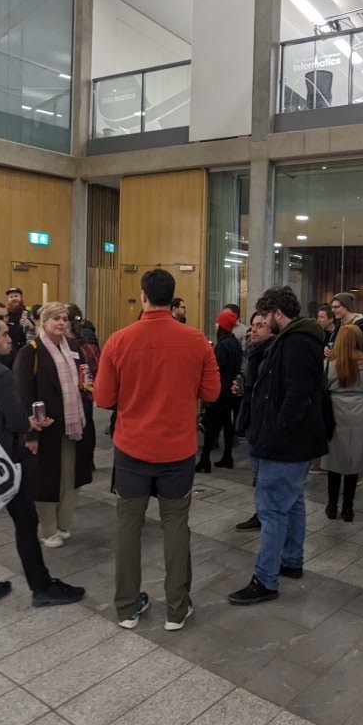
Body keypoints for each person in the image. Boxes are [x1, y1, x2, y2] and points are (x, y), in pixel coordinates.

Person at [94, 268, 220, 631]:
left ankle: (127, 608)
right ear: (173, 297)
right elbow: (211, 393)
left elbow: (103, 397)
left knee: (128, 527)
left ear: (143, 295)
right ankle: (177, 610)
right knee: (176, 526)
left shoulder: (119, 341)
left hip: (131, 450)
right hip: (177, 452)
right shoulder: (196, 341)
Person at [0, 309, 85, 612]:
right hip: (7, 460)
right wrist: (33, 425)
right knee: (26, 522)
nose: (9, 338)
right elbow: (16, 420)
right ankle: (42, 587)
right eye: (3, 334)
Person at [228, 285, 328, 605]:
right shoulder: (296, 339)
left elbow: (298, 395)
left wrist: (277, 429)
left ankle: (266, 580)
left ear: (278, 314)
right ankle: (292, 561)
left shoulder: (296, 342)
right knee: (293, 502)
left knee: (271, 511)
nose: (262, 321)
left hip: (285, 444)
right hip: (293, 443)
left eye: (265, 316)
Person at [13, 302, 95, 549]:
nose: (61, 323)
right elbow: (22, 393)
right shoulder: (31, 352)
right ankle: (47, 529)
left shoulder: (72, 347)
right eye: (55, 319)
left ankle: (64, 523)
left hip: (74, 425)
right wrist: (30, 430)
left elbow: (82, 376)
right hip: (46, 428)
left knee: (71, 477)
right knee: (47, 479)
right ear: (43, 322)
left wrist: (86, 386)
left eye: (64, 319)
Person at [322, 324, 363, 521]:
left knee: (334, 460)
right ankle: (348, 509)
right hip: (360, 411)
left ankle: (331, 506)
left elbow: (323, 388)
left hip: (335, 410)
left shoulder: (329, 362)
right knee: (354, 462)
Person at [234, 310, 274, 532]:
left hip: (262, 421)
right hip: (251, 416)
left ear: (271, 328)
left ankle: (265, 515)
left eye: (260, 325)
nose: (254, 330)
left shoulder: (271, 353)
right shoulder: (252, 351)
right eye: (253, 325)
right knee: (258, 473)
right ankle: (261, 512)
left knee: (263, 475)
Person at [196, 310, 243, 473]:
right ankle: (227, 457)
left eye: (217, 323)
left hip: (220, 391)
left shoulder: (223, 345)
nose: (215, 325)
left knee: (211, 425)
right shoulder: (235, 343)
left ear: (222, 326)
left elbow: (216, 368)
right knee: (226, 423)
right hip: (231, 390)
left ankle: (204, 460)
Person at [329, 292, 363, 361]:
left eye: (336, 307)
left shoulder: (362, 328)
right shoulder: (338, 327)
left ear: (347, 307)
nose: (333, 310)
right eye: (332, 307)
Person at [5, 287, 34, 362]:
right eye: (11, 297)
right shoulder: (5, 314)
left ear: (21, 298)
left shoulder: (29, 314)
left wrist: (30, 325)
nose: (14, 298)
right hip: (8, 353)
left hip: (26, 353)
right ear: (8, 299)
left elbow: (35, 333)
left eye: (16, 296)